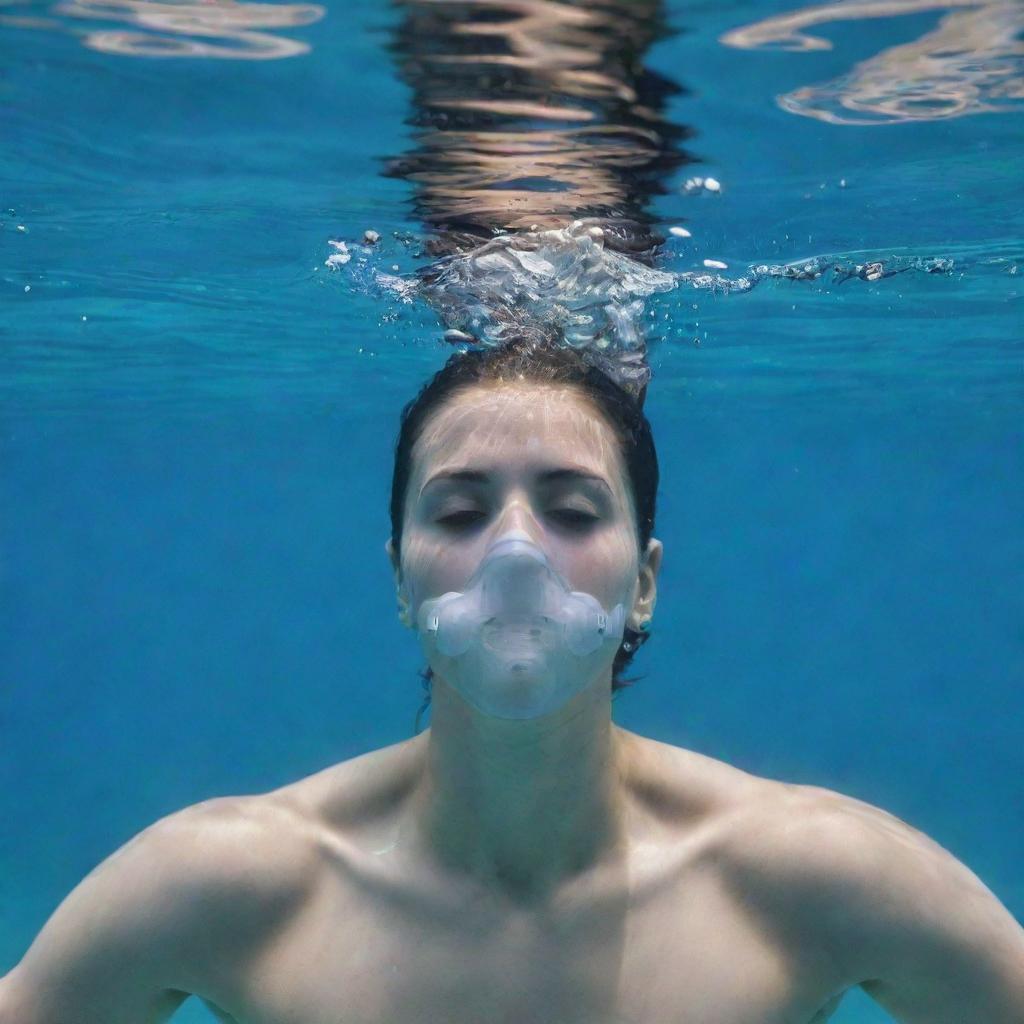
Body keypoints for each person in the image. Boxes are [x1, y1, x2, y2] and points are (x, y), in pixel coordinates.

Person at [1, 339, 1022, 1024]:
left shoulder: (809, 876)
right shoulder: (228, 884)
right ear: (399, 575)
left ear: (645, 583)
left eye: (574, 510)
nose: (517, 557)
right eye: (457, 512)